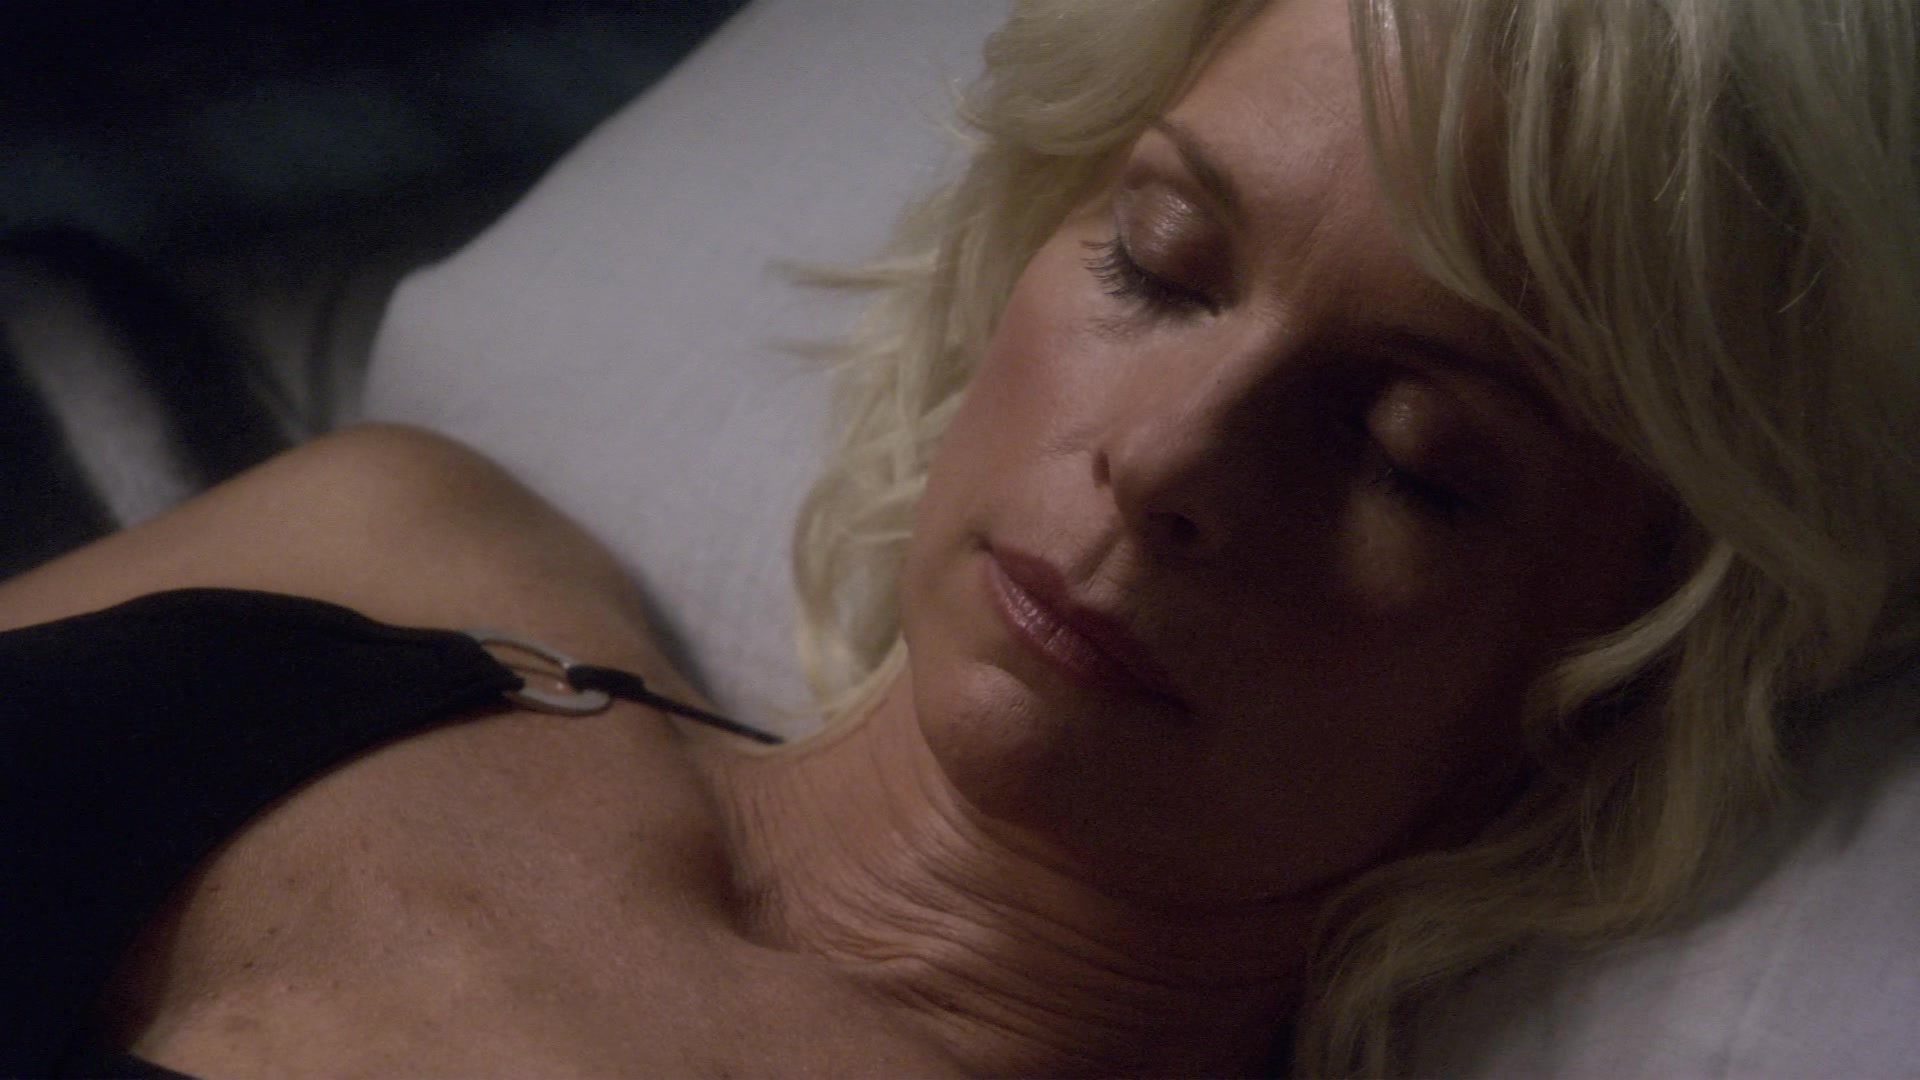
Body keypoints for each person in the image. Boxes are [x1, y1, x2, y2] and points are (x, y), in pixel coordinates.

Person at [2, 0, 1916, 1075]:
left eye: (1419, 459)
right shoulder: (403, 543)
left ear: (1623, 663)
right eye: (1161, 263)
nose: (1170, 458)